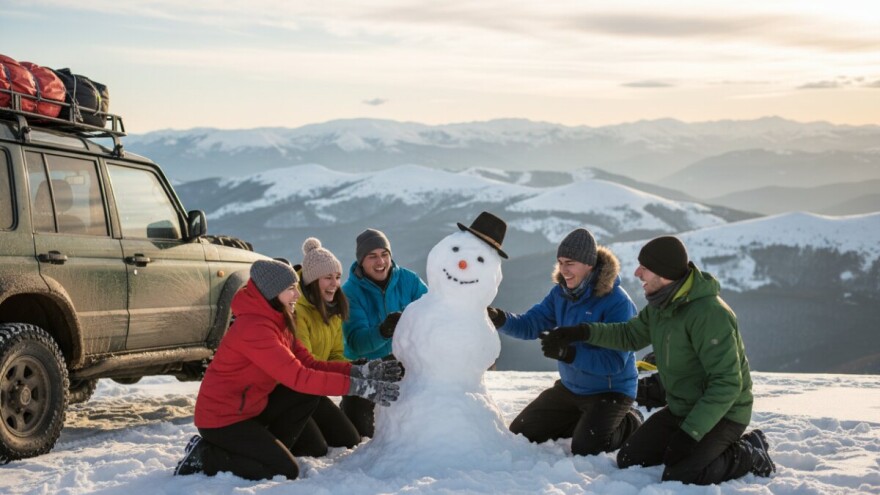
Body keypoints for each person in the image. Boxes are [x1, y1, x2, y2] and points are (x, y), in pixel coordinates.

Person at [540, 235, 776, 485]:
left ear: (663, 273)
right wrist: (582, 332)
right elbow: (630, 334)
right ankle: (697, 446)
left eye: (645, 268)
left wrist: (690, 434)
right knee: (630, 459)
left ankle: (751, 452)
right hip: (681, 408)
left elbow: (727, 385)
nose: (637, 273)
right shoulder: (662, 305)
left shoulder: (710, 315)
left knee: (683, 474)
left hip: (723, 414)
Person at [174, 259, 402, 480]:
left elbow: (309, 364)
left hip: (252, 409)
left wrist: (358, 371)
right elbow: (299, 376)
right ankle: (204, 455)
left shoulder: (280, 321)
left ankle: (265, 446)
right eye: (291, 289)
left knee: (310, 433)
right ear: (272, 292)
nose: (297, 294)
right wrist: (358, 387)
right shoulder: (254, 329)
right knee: (284, 470)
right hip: (222, 419)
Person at [487, 228, 642, 456]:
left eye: (570, 263)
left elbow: (613, 363)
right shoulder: (560, 294)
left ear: (589, 264)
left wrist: (569, 354)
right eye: (560, 262)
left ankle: (631, 421)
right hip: (571, 389)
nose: (563, 270)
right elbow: (531, 324)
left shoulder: (617, 303)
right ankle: (586, 422)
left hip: (610, 392)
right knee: (521, 432)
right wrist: (500, 318)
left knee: (587, 448)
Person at [340, 228, 428, 437]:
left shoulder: (409, 280)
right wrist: (382, 331)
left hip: (405, 360)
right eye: (372, 257)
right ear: (361, 261)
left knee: (416, 422)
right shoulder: (350, 292)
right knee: (362, 434)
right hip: (365, 366)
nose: (380, 262)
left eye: (384, 255)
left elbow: (432, 312)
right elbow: (356, 343)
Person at [288, 237, 362, 457]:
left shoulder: (333, 308)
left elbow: (336, 353)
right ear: (312, 280)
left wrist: (354, 368)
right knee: (315, 449)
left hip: (315, 389)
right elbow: (305, 363)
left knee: (349, 439)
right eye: (328, 278)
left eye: (338, 277)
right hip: (294, 392)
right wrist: (348, 377)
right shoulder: (298, 312)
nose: (335, 284)